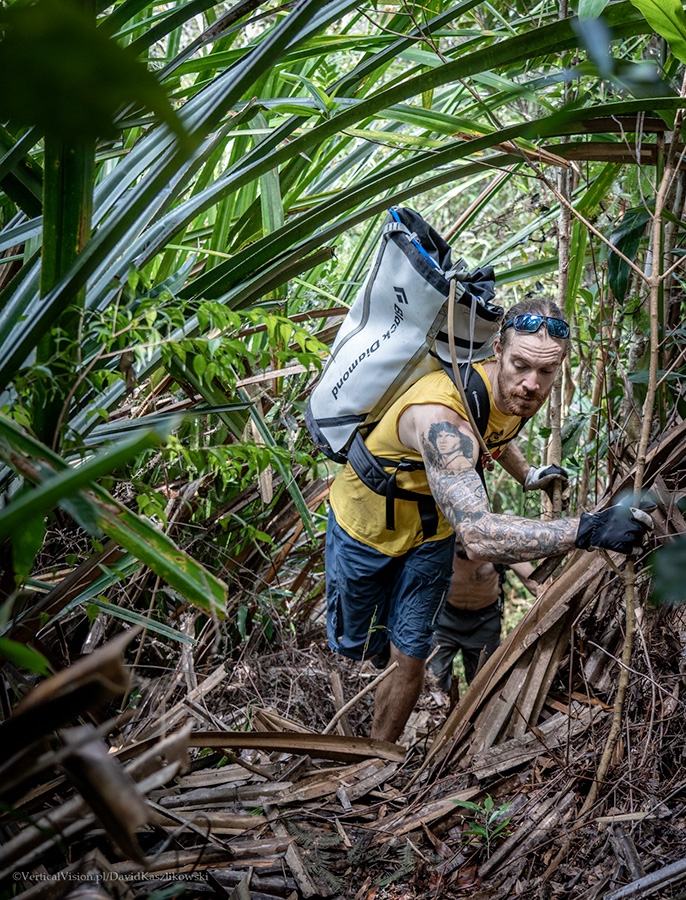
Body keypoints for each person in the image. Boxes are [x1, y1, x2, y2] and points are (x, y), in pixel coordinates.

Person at [325, 298, 650, 743]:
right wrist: (589, 528)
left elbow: (494, 435)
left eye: (546, 372)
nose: (532, 384)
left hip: (430, 535)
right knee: (359, 649)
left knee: (411, 654)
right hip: (365, 530)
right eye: (520, 365)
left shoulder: (508, 397)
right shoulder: (443, 416)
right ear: (497, 349)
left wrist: (529, 474)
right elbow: (477, 535)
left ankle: (376, 757)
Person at [428, 555, 539, 694]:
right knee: (434, 682)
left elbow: (535, 585)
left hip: (484, 622)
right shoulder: (444, 546)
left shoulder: (497, 546)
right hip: (445, 618)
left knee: (484, 685)